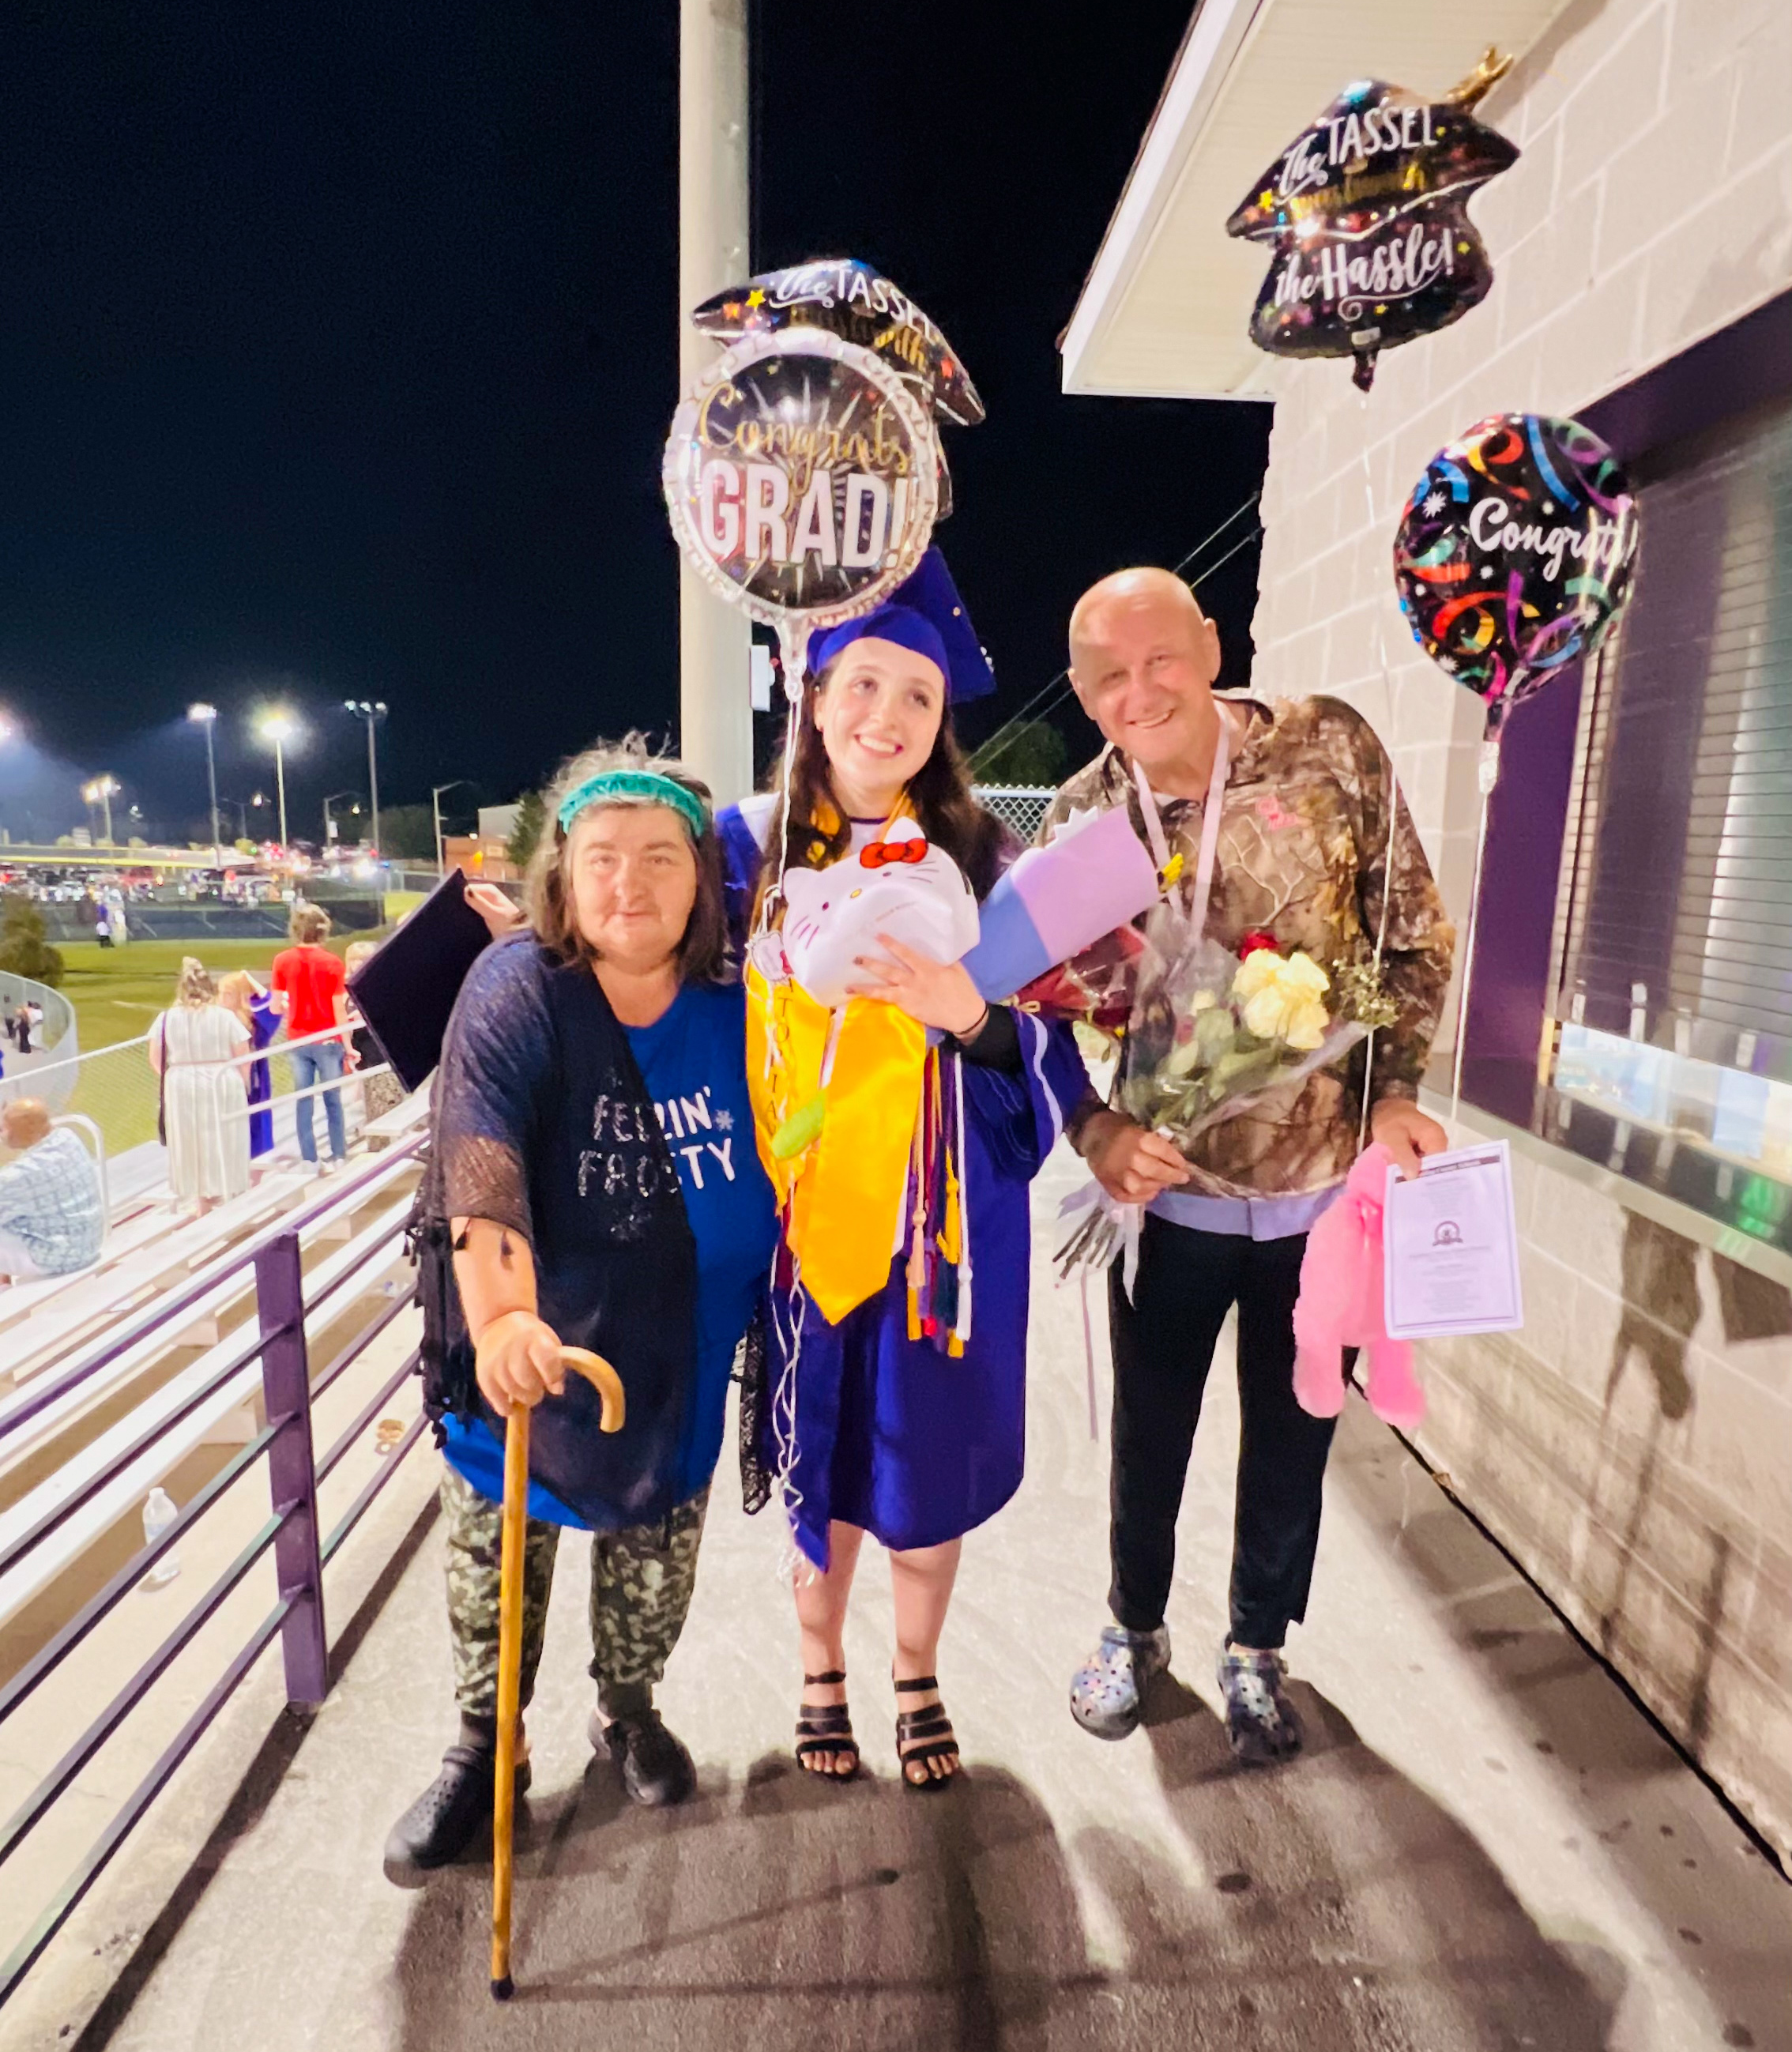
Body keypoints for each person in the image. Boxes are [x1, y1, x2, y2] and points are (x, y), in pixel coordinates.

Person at [1047, 568, 1455, 1764]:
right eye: (1108, 676)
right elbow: (1029, 1020)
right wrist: (1096, 1130)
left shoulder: (1329, 748)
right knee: (1150, 1437)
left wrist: (1392, 1096)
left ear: (1211, 644)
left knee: (1296, 1433)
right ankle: (1134, 1629)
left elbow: (1412, 931)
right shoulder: (1082, 823)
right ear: (1079, 691)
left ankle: (1257, 1646)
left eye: (1161, 658)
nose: (1140, 691)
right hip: (1164, 1205)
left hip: (1320, 1196)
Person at [717, 549, 1088, 1790]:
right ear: (813, 696)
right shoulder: (744, 851)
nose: (886, 717)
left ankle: (916, 1669)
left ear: (941, 725)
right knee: (821, 1456)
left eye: (917, 697)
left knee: (925, 1458)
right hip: (806, 1216)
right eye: (861, 684)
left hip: (944, 1231)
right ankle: (820, 1666)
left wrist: (968, 1015)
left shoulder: (985, 859)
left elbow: (1051, 1040)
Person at [382, 742, 779, 1871]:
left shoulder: (746, 992)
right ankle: (483, 1744)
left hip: (684, 1354)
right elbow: (481, 1154)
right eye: (601, 858)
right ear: (563, 875)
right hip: (535, 1341)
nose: (630, 884)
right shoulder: (516, 989)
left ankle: (628, 1708)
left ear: (703, 879)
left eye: (661, 858)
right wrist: (504, 1315)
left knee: (653, 1561)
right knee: (498, 1559)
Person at [149, 958, 251, 1215]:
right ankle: (229, 1190)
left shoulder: (166, 1019)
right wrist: (243, 1082)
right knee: (225, 1135)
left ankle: (201, 1199)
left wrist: (174, 1076)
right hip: (222, 1079)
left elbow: (155, 1056)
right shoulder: (224, 1017)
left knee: (191, 1140)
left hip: (182, 1083)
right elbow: (243, 1053)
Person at [269, 904, 349, 1173]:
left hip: (298, 1040)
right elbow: (338, 1008)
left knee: (304, 1100)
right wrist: (348, 1044)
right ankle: (339, 1155)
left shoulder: (282, 961)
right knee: (333, 1099)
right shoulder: (333, 963)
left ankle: (309, 1159)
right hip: (328, 1039)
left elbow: (275, 1007)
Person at [0, 1097, 104, 1283]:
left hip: (59, 1259)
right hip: (89, 1244)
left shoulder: (22, 1175)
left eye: (5, 1129)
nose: (3, 1135)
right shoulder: (68, 1138)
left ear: (28, 1130)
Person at [343, 938, 406, 1134]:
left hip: (378, 1045)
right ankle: (371, 1130)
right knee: (367, 1090)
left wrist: (365, 1015)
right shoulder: (345, 987)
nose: (357, 964)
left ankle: (386, 1132)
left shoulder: (378, 983)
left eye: (362, 959)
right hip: (359, 1045)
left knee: (383, 1088)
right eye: (354, 960)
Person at [217, 970, 280, 1162]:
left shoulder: (255, 1023)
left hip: (253, 1080)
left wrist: (251, 982)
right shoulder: (215, 1019)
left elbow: (272, 1007)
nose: (221, 998)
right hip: (222, 1079)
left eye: (228, 993)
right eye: (221, 993)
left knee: (255, 1124)